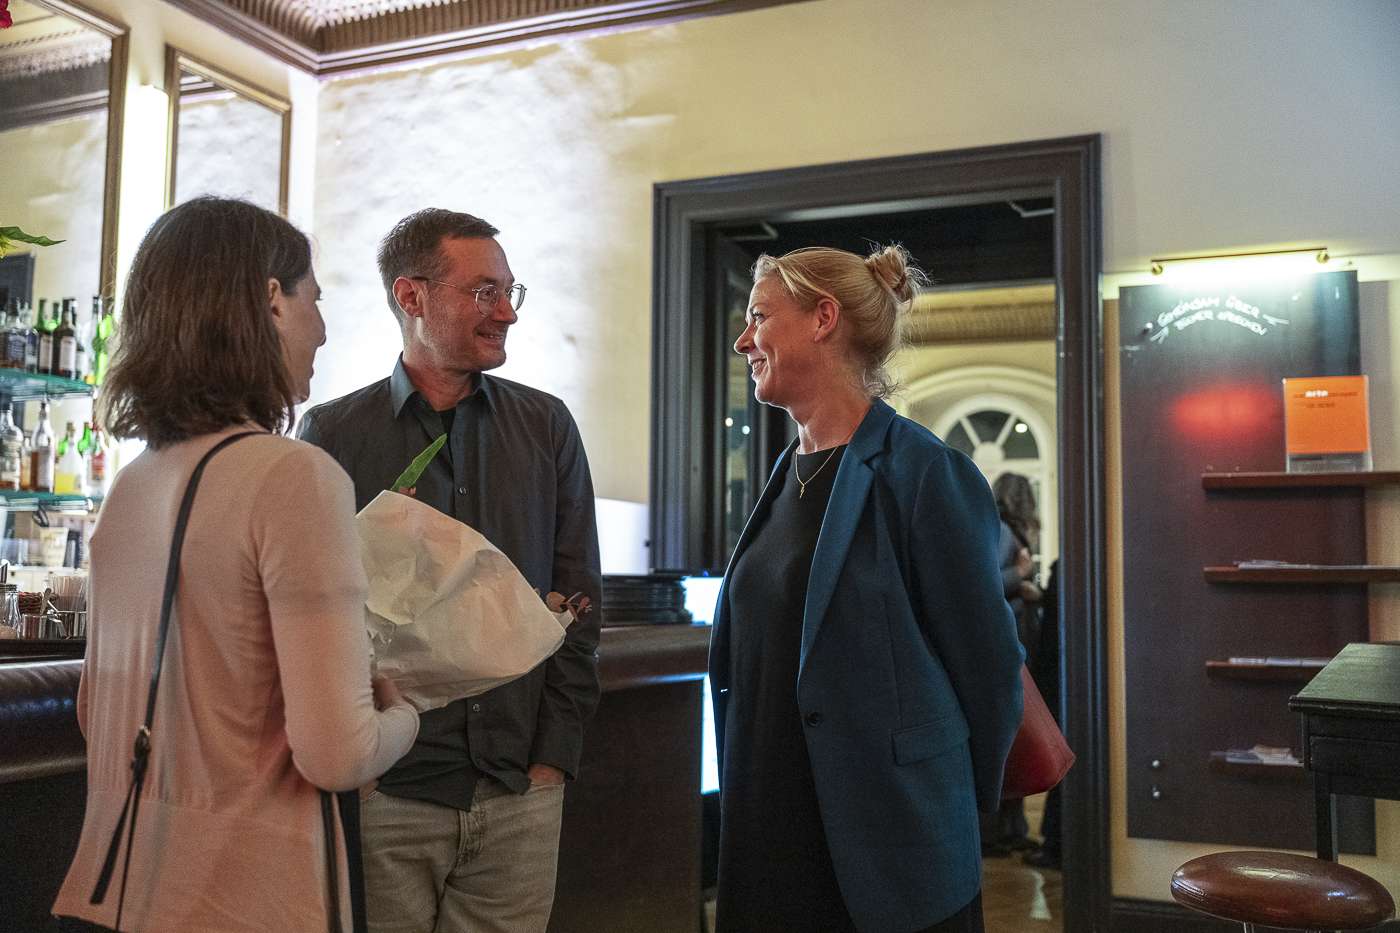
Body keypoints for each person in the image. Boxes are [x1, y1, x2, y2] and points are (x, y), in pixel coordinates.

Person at [51, 196, 421, 932]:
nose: (323, 328)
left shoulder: (132, 486)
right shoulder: (294, 477)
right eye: (315, 298)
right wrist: (405, 715)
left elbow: (98, 713)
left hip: (114, 891)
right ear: (271, 300)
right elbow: (337, 752)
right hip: (243, 899)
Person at [298, 208, 602, 933]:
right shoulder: (330, 434)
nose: (507, 313)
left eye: (509, 291)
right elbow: (314, 618)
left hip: (518, 791)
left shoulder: (547, 427)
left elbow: (580, 604)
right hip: (388, 794)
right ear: (411, 296)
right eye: (484, 292)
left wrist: (551, 762)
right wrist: (359, 771)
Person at [709, 245, 1024, 933]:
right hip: (768, 828)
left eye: (759, 316)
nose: (743, 341)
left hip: (888, 847)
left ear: (823, 318)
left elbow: (990, 669)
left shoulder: (924, 471)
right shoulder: (784, 475)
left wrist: (939, 805)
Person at [981, 471, 1043, 856]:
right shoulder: (1003, 532)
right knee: (1007, 736)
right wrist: (1020, 574)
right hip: (1008, 646)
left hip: (1015, 642)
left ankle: (1011, 828)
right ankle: (997, 831)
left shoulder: (1004, 531)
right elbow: (985, 583)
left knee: (1016, 736)